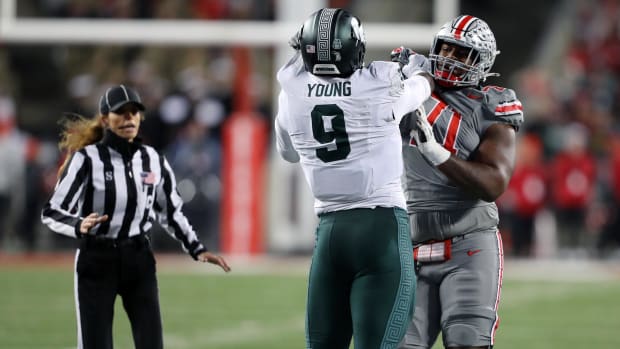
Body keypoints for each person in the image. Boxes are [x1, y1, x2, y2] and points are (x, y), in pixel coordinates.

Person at [274, 8, 434, 349]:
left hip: (330, 235)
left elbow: (287, 152)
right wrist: (419, 69)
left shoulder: (291, 91)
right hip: (381, 230)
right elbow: (422, 85)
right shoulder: (380, 84)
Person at [41, 84, 231, 349]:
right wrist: (78, 224)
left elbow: (171, 211)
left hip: (138, 257)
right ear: (106, 118)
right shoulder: (87, 159)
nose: (130, 118)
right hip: (97, 257)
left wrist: (196, 248)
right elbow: (51, 211)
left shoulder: (152, 159)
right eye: (122, 112)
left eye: (134, 112)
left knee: (151, 343)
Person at [394, 15, 524, 349]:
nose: (448, 58)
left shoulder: (491, 105)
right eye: (445, 48)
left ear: (481, 62)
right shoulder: (409, 88)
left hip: (469, 244)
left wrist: (437, 154)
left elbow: (494, 182)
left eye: (460, 52)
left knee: (467, 341)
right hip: (411, 245)